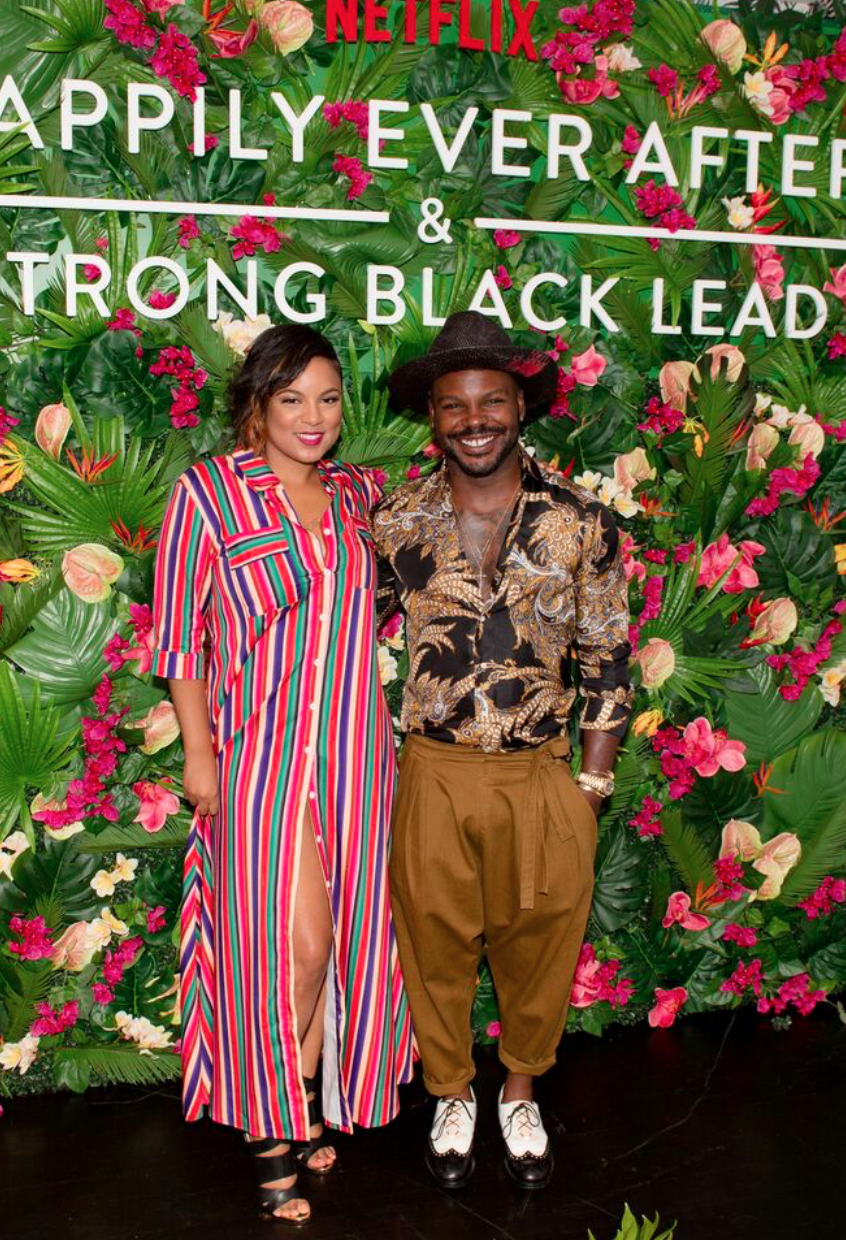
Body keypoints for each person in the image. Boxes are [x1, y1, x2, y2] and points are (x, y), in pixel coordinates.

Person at [147, 324, 414, 1224]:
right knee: (287, 946)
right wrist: (197, 752)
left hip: (355, 755)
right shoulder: (208, 494)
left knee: (341, 943)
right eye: (292, 398)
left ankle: (297, 1100)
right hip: (257, 756)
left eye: (329, 398)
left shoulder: (358, 495)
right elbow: (179, 637)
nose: (314, 416)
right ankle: (270, 1134)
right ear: (256, 405)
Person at [373, 311, 632, 1191]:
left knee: (540, 945)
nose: (474, 420)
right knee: (434, 947)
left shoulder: (582, 523)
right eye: (454, 405)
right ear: (433, 418)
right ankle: (451, 1091)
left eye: (491, 401)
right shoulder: (395, 521)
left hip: (541, 773)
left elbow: (607, 656)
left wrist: (590, 787)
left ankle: (520, 1090)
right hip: (433, 772)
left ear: (521, 407)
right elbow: (351, 639)